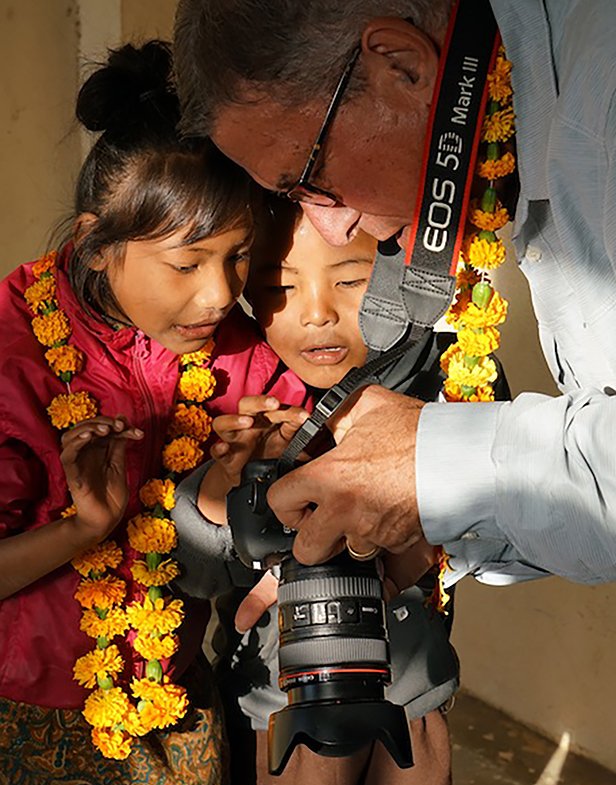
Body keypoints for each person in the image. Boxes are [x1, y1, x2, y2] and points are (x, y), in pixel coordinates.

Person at [0, 40, 308, 785]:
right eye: (186, 264)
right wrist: (81, 528)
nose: (218, 297)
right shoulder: (15, 350)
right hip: (20, 744)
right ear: (98, 247)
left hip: (177, 735)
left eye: (238, 258)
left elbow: (303, 464)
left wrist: (257, 476)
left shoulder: (237, 349)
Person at [173, 0, 616, 585]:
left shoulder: (600, 104)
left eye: (312, 181)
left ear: (401, 67)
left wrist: (428, 463)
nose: (334, 229)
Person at [171, 198, 511, 785]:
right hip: (264, 716)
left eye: (350, 280)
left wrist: (407, 531)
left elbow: (498, 524)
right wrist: (231, 484)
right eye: (277, 288)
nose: (315, 313)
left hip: (406, 716)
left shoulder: (449, 390)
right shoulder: (237, 404)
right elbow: (195, 572)